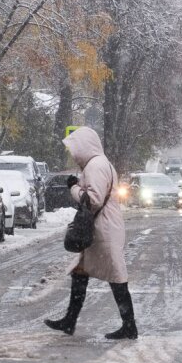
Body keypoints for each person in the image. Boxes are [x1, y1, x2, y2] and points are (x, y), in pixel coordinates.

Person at [44, 127, 138, 339]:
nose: (73, 153)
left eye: (75, 148)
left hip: (104, 229)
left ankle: (129, 325)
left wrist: (74, 188)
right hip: (103, 227)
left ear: (85, 146)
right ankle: (70, 320)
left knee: (116, 276)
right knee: (80, 272)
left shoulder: (95, 166)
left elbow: (93, 200)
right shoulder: (99, 164)